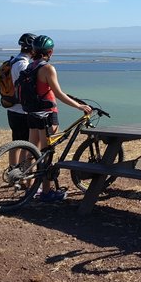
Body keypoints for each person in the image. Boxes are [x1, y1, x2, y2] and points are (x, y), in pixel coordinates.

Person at [26, 35, 92, 202]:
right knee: (47, 153)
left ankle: (29, 187)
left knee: (32, 151)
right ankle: (47, 192)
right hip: (47, 114)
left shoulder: (30, 66)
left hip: (32, 112)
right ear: (50, 51)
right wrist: (79, 106)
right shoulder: (48, 68)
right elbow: (58, 93)